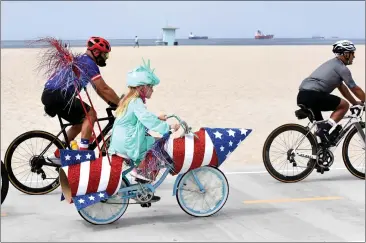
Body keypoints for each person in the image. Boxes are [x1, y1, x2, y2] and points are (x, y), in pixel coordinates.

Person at [108, 60, 180, 203]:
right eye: (151, 87)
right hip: (128, 142)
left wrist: (157, 117)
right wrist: (168, 127)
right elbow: (145, 119)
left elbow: (140, 117)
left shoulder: (129, 100)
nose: (152, 90)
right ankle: (139, 173)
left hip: (121, 139)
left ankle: (142, 184)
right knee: (157, 146)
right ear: (142, 88)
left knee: (151, 143)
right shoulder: (136, 102)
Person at [42, 36, 121, 164]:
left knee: (79, 123)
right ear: (96, 52)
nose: (105, 58)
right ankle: (83, 154)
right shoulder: (88, 63)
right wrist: (121, 104)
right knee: (91, 114)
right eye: (105, 55)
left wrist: (112, 103)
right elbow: (104, 88)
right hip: (58, 95)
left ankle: (57, 154)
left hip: (49, 95)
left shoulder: (81, 61)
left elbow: (99, 90)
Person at [297, 40, 365, 145]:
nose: (354, 56)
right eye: (352, 53)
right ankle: (324, 130)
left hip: (303, 96)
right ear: (345, 54)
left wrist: (355, 103)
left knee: (321, 132)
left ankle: (318, 156)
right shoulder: (342, 68)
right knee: (344, 105)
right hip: (314, 95)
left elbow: (343, 88)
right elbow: (354, 88)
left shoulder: (331, 64)